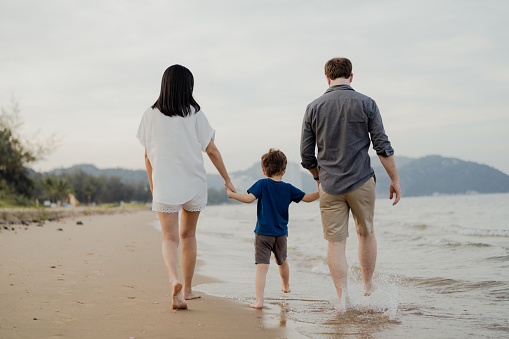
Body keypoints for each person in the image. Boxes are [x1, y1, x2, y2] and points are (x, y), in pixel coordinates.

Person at [300, 57, 401, 311]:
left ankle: (343, 298)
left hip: (329, 185)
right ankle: (368, 286)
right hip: (361, 181)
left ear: (327, 78)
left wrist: (318, 178)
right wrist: (395, 179)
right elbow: (382, 146)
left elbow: (305, 155)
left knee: (336, 242)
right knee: (365, 233)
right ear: (351, 76)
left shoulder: (313, 107)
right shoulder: (367, 103)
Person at [136, 64, 236, 310]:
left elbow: (148, 155)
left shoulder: (150, 114)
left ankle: (174, 280)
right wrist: (227, 179)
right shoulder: (195, 112)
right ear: (188, 86)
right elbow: (211, 149)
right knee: (188, 235)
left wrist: (152, 183)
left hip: (164, 183)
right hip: (193, 181)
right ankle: (188, 290)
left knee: (169, 238)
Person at [225, 149, 319, 309]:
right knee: (282, 261)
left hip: (263, 234)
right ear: (284, 170)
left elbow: (248, 199)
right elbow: (308, 198)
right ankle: (286, 285)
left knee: (262, 268)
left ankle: (259, 301)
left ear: (263, 170)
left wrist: (232, 194)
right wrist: (323, 191)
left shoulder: (262, 184)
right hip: (281, 234)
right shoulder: (288, 188)